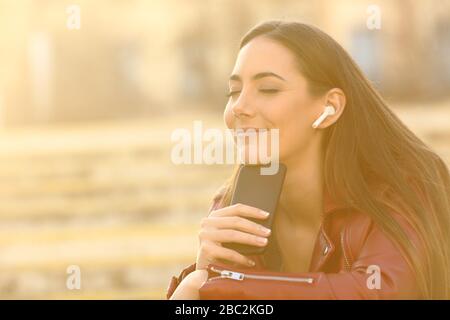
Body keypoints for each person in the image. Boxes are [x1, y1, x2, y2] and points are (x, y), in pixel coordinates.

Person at [167, 20, 450, 300]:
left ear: (330, 107)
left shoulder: (400, 189)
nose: (239, 106)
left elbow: (380, 291)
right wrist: (204, 271)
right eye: (233, 92)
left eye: (268, 89)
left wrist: (220, 286)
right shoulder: (231, 207)